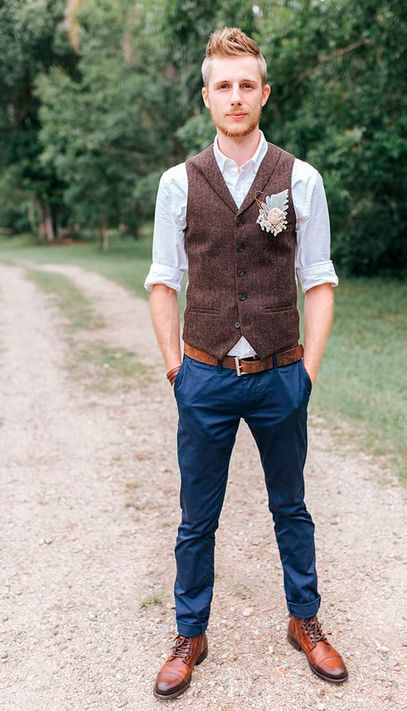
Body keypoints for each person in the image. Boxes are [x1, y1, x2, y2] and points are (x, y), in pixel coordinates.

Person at [145, 26, 348, 701]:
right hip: (202, 374)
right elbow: (161, 280)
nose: (235, 97)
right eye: (222, 86)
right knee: (196, 514)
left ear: (264, 92)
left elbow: (318, 278)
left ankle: (306, 620)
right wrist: (177, 368)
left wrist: (306, 374)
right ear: (207, 97)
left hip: (279, 375)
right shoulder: (179, 183)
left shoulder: (301, 178)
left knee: (290, 506)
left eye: (246, 85)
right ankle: (189, 632)